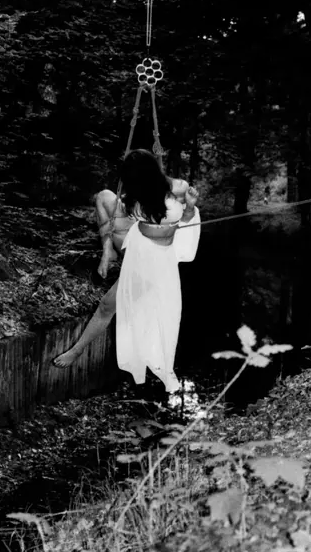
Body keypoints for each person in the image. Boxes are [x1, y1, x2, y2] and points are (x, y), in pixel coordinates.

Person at [52, 149, 200, 392]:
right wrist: (110, 242)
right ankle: (107, 250)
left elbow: (187, 222)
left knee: (110, 305)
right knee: (103, 196)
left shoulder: (179, 188)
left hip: (157, 260)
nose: (129, 182)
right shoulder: (135, 193)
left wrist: (190, 208)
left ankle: (77, 350)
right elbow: (120, 212)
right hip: (137, 246)